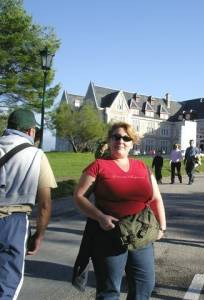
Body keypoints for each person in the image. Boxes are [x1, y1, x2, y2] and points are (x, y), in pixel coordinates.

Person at [73, 122, 166, 299]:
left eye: (126, 138)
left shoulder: (143, 168)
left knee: (144, 285)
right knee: (109, 290)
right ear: (109, 140)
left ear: (132, 142)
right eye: (116, 137)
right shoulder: (98, 166)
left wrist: (162, 227)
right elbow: (79, 196)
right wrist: (100, 217)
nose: (121, 141)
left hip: (141, 234)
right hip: (109, 235)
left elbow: (156, 199)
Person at [0, 109, 57, 299]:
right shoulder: (36, 155)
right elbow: (45, 204)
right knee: (7, 284)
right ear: (31, 131)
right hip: (13, 222)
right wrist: (39, 235)